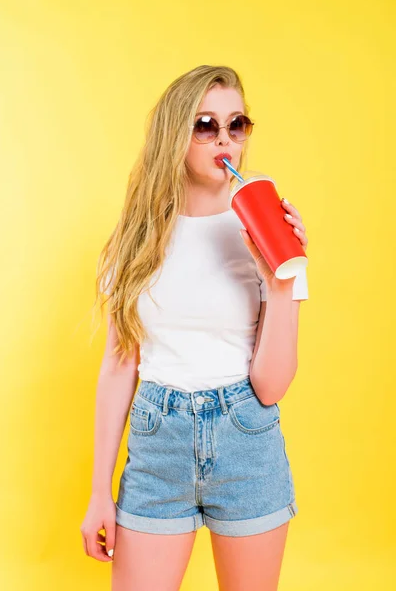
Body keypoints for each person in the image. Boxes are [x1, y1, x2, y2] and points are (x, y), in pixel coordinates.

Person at [80, 64, 309, 591]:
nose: (224, 138)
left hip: (246, 441)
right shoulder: (136, 238)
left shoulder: (270, 232)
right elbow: (119, 366)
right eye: (205, 125)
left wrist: (281, 279)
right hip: (159, 443)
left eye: (237, 124)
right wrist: (99, 492)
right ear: (175, 134)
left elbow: (272, 386)